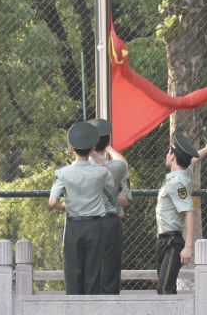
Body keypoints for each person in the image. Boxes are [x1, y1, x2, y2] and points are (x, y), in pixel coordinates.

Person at [48, 121, 114, 295]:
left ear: (71, 148)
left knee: (73, 272)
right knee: (93, 272)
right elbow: (111, 183)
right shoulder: (100, 172)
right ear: (92, 147)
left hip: (74, 225)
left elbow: (52, 202)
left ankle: (73, 306)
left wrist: (65, 207)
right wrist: (95, 154)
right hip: (96, 225)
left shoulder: (62, 173)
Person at [155, 132, 207, 295]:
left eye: (168, 152)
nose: (166, 155)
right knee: (165, 288)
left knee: (164, 289)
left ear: (173, 156)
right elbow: (194, 160)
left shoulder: (177, 183)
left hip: (172, 242)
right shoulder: (184, 173)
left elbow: (189, 212)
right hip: (163, 241)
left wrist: (188, 247)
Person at [87, 118, 129, 294]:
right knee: (111, 271)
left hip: (87, 222)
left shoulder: (80, 167)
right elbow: (124, 199)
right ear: (107, 141)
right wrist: (109, 147)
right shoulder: (117, 167)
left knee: (89, 271)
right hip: (111, 222)